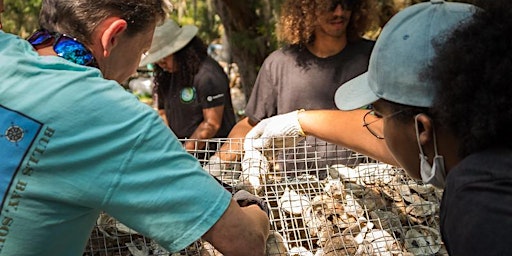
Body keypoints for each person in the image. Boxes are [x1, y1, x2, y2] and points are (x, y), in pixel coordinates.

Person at [0, 0, 269, 255]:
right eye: (142, 50)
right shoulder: (115, 117)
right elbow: (245, 242)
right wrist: (250, 204)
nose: (134, 69)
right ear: (112, 37)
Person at [246, 0, 512, 254]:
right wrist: (300, 121)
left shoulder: (479, 204)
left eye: (377, 114)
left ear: (423, 130)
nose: (377, 126)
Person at [206, 0, 376, 177]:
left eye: (346, 3)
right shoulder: (280, 63)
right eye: (330, 5)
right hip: (298, 190)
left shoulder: (373, 58)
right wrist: (218, 163)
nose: (340, 12)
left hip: (365, 183)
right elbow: (252, 124)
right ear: (306, 7)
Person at [139, 20, 236, 155]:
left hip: (214, 156)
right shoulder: (165, 75)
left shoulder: (207, 75)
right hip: (180, 152)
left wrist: (184, 152)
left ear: (181, 51)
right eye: (157, 59)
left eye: (164, 58)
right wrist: (170, 145)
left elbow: (212, 124)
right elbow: (162, 112)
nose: (161, 64)